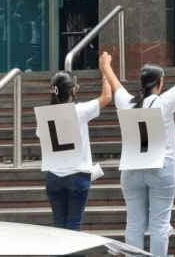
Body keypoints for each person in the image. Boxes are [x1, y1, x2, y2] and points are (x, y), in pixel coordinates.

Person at [103, 33, 175, 257]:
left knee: (134, 224)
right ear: (160, 83)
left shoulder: (127, 102)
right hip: (162, 168)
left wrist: (106, 65)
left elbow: (115, 85)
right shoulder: (164, 102)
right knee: (159, 225)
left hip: (131, 170)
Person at [39, 52, 113, 232]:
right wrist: (104, 70)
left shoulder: (44, 116)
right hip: (78, 177)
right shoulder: (79, 111)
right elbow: (107, 97)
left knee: (59, 228)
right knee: (73, 227)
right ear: (73, 90)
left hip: (54, 177)